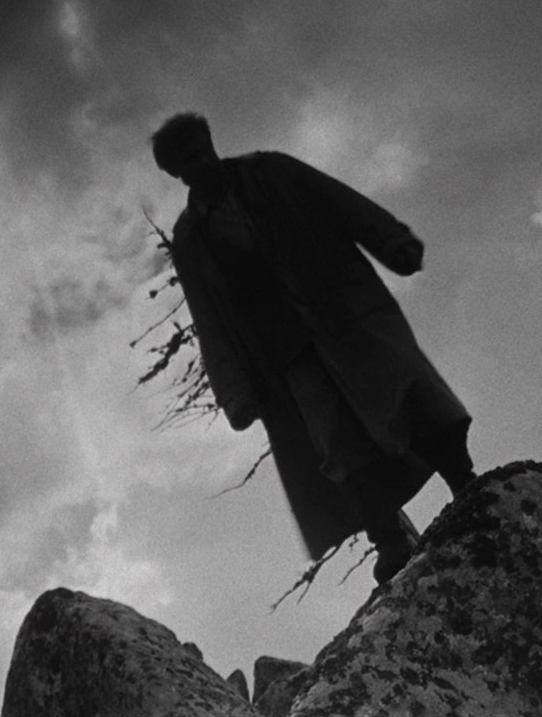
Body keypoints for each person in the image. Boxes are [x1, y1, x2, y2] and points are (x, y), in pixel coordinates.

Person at [152, 112, 475, 583]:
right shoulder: (191, 239)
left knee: (407, 395)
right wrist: (235, 392)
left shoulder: (271, 172)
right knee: (338, 443)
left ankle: (465, 483)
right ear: (178, 174)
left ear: (211, 143)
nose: (200, 163)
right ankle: (388, 539)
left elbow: (338, 201)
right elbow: (209, 318)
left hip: (344, 315)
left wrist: (392, 240)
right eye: (187, 161)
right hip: (285, 351)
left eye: (201, 150)